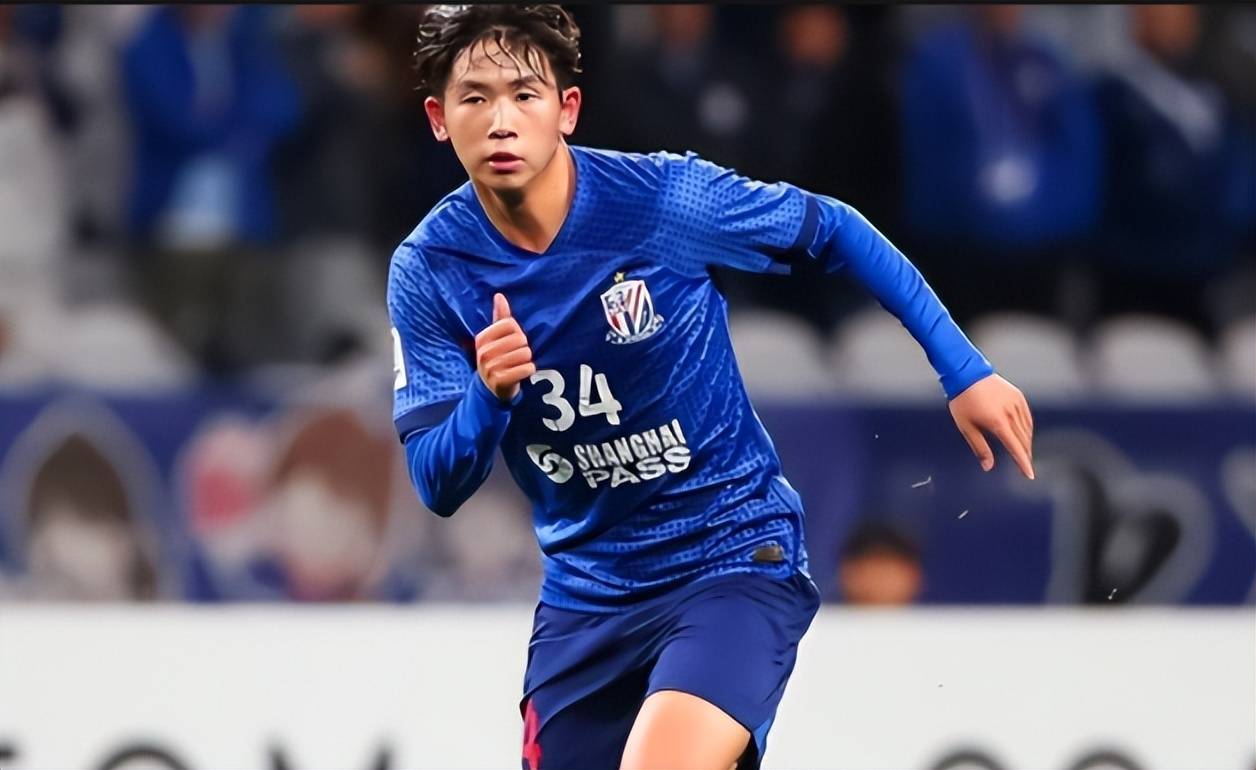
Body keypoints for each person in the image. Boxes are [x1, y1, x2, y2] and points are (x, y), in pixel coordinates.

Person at [389, 6, 1035, 769]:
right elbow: (436, 481)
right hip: (586, 596)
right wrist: (487, 396)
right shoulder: (428, 271)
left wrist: (965, 371)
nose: (501, 121)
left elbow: (834, 230)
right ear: (439, 119)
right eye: (475, 97)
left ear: (567, 109)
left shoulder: (663, 201)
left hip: (728, 560)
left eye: (524, 95)